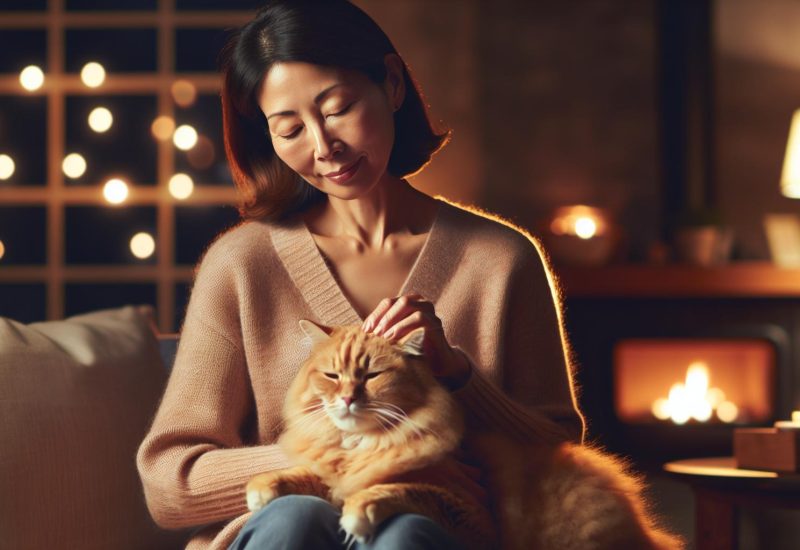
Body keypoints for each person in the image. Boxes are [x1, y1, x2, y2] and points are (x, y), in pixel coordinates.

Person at [137, 1, 585, 549]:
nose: (324, 147)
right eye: (290, 129)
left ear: (392, 84)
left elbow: (559, 455)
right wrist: (349, 456)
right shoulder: (240, 265)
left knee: (407, 534)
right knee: (294, 515)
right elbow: (171, 483)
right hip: (284, 533)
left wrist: (458, 376)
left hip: (439, 529)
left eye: (339, 108)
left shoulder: (500, 259)